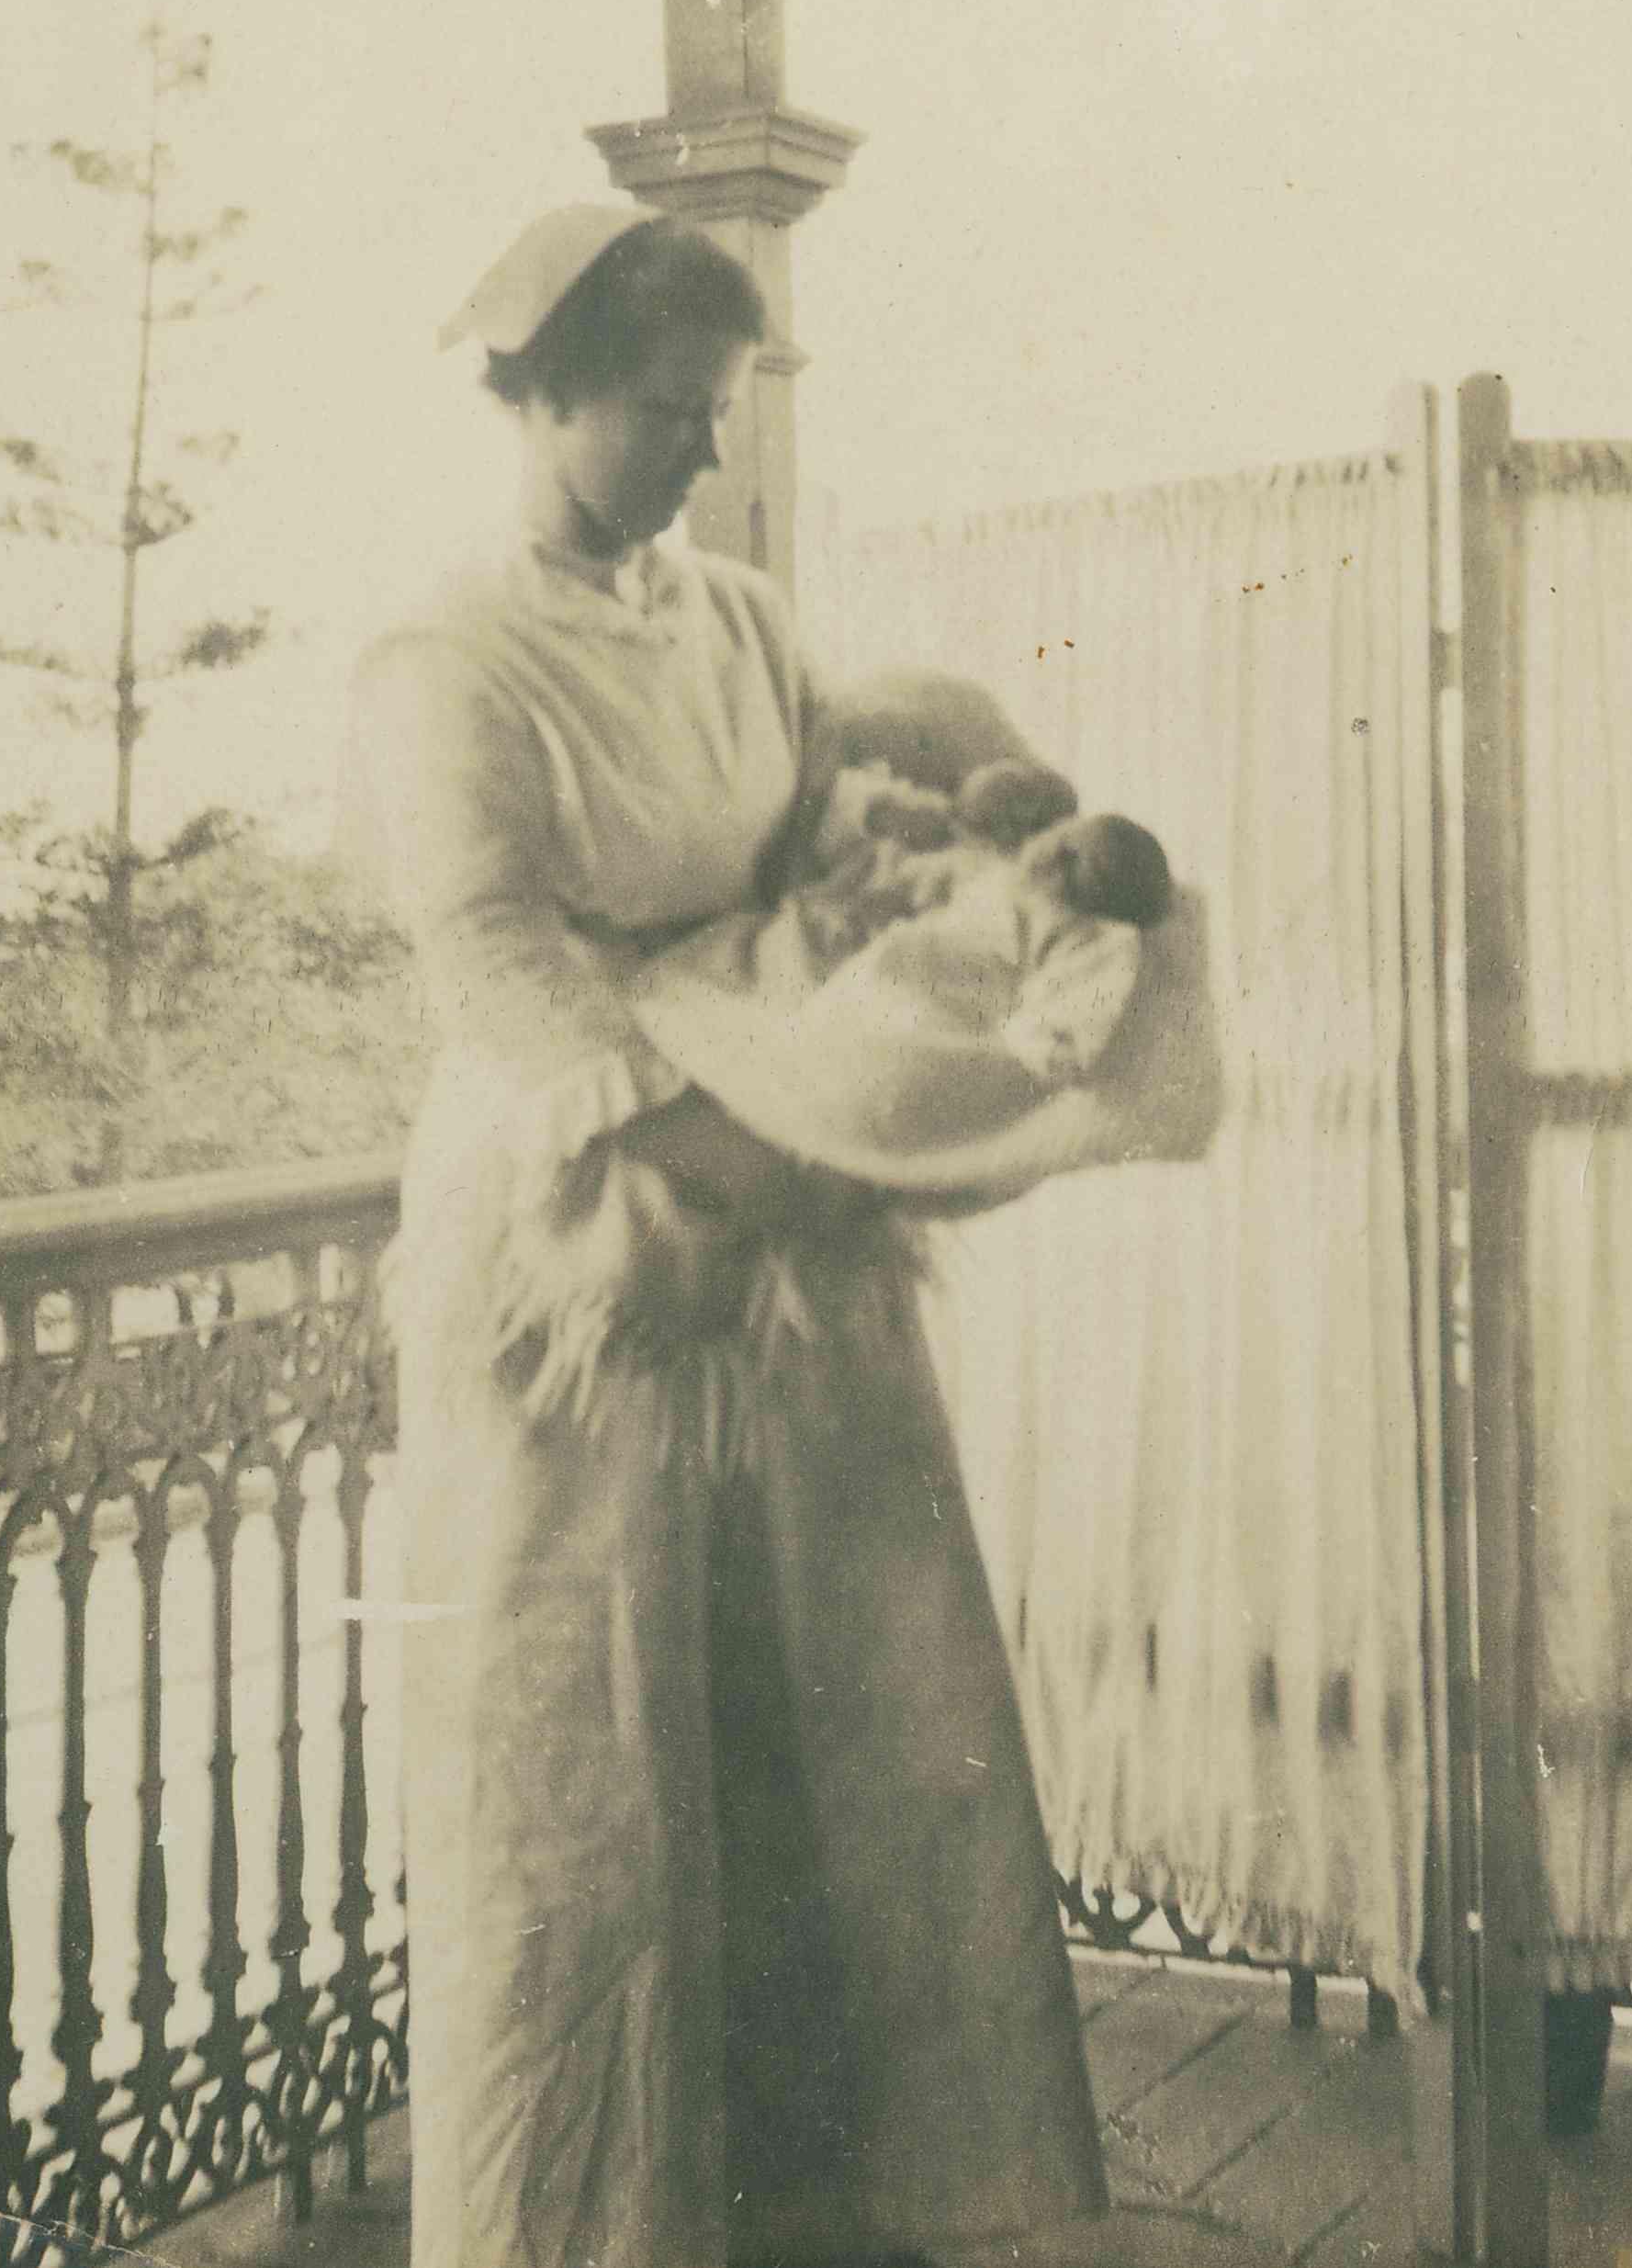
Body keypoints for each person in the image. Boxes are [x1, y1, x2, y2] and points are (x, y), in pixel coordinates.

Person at [347, 205, 1109, 2268]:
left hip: (777, 1205)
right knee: (594, 1771)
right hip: (579, 1226)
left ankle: (851, 2218)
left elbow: (827, 811)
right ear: (549, 392)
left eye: (715, 411)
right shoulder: (449, 654)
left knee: (847, 1714)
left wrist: (963, 846)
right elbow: (490, 953)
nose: (700, 448)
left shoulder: (746, 622)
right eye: (666, 411)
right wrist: (674, 1146)